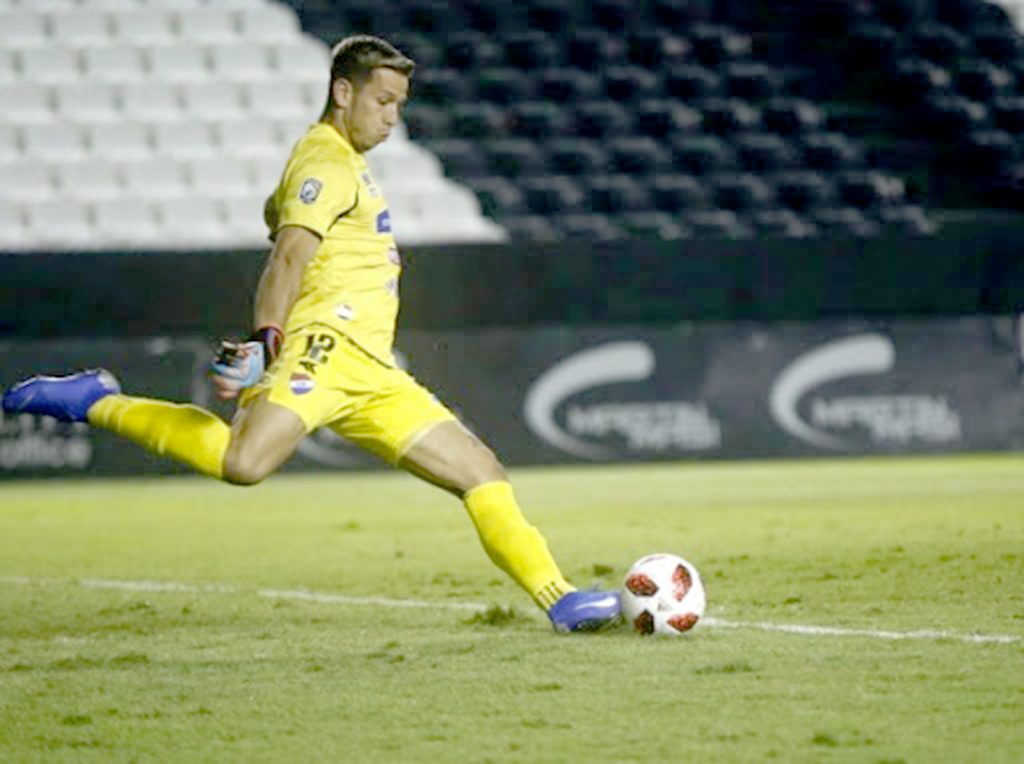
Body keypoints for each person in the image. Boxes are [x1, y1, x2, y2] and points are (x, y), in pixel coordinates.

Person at [2, 35, 620, 633]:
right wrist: (266, 341)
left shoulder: (342, 163)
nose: (392, 117)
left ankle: (560, 600)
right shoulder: (325, 161)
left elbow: (277, 216)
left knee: (481, 472)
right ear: (343, 93)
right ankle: (97, 401)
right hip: (323, 349)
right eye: (383, 101)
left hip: (372, 370)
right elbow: (289, 255)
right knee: (243, 463)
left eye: (400, 105)